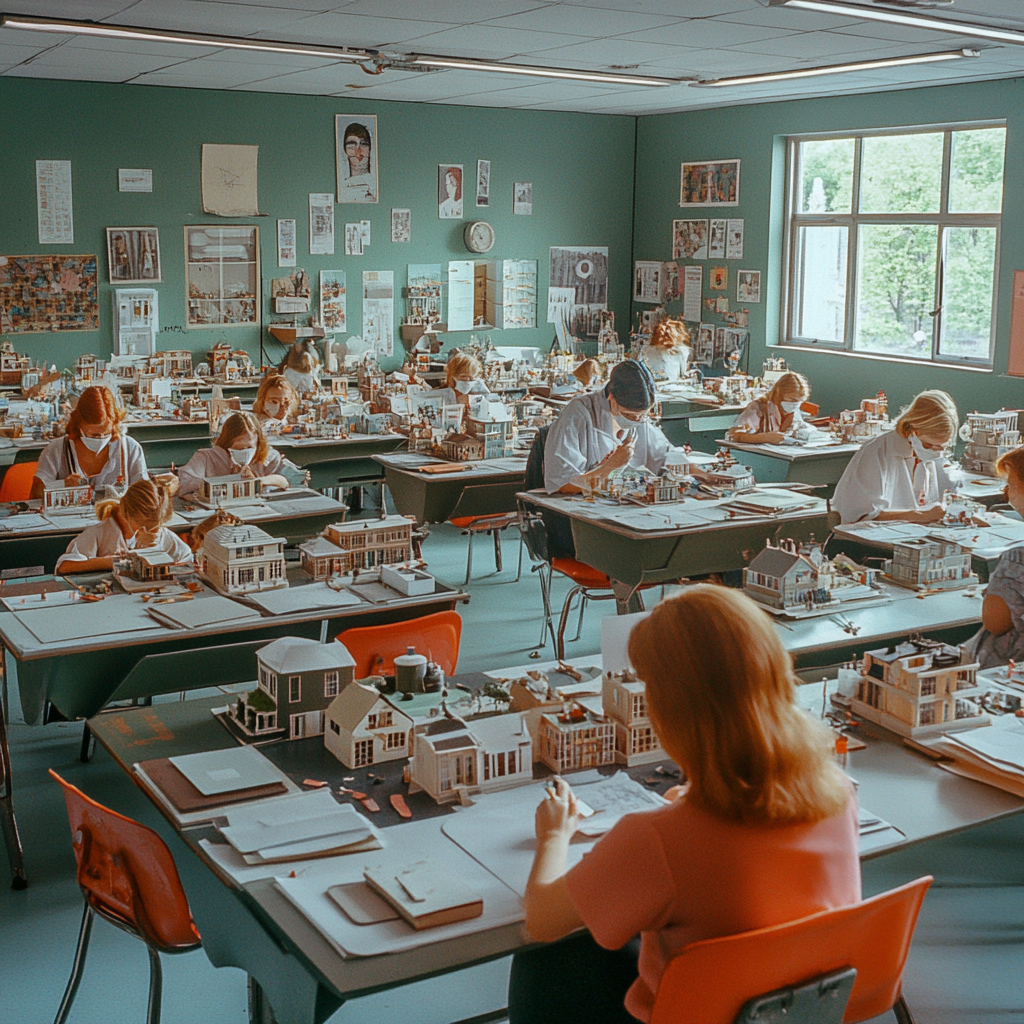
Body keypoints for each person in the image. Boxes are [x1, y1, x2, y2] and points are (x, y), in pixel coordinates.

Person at [509, 586, 860, 1024]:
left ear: (671, 712)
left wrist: (554, 837)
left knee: (546, 961)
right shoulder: (838, 791)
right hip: (794, 1009)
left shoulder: (655, 840)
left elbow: (541, 919)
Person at [832, 389, 960, 525]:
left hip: (914, 535)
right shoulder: (878, 451)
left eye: (942, 447)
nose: (936, 453)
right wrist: (919, 515)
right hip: (870, 538)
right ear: (912, 429)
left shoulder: (934, 458)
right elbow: (860, 514)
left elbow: (945, 500)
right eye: (928, 445)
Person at [544, 360, 670, 494]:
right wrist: (611, 465)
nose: (636, 420)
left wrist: (693, 474)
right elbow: (564, 484)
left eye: (641, 415)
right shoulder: (578, 414)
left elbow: (665, 455)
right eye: (628, 414)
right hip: (579, 504)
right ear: (611, 397)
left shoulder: (639, 418)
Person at [32, 385, 150, 500]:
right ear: (79, 426)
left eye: (107, 433)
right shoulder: (57, 450)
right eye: (94, 435)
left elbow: (145, 495)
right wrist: (62, 485)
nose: (101, 439)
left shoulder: (130, 449)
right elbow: (35, 494)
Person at [55, 478, 192, 574]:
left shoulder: (160, 532)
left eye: (155, 528)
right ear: (125, 514)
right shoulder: (101, 532)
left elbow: (186, 556)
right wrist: (114, 562)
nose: (149, 533)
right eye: (142, 528)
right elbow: (64, 566)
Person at [970, 447, 1024, 667]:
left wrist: (994, 589)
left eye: (1010, 485)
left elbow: (995, 622)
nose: (1008, 494)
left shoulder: (1016, 559)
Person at [176, 411, 300, 497]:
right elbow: (185, 484)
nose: (245, 451)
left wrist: (260, 481)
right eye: (239, 447)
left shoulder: (267, 455)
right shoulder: (206, 457)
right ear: (227, 442)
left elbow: (290, 479)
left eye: (249, 447)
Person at [726, 371, 811, 444]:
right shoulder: (759, 408)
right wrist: (765, 438)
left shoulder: (794, 409)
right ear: (779, 394)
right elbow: (733, 435)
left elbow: (801, 427)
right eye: (791, 399)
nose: (795, 404)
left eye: (799, 401)